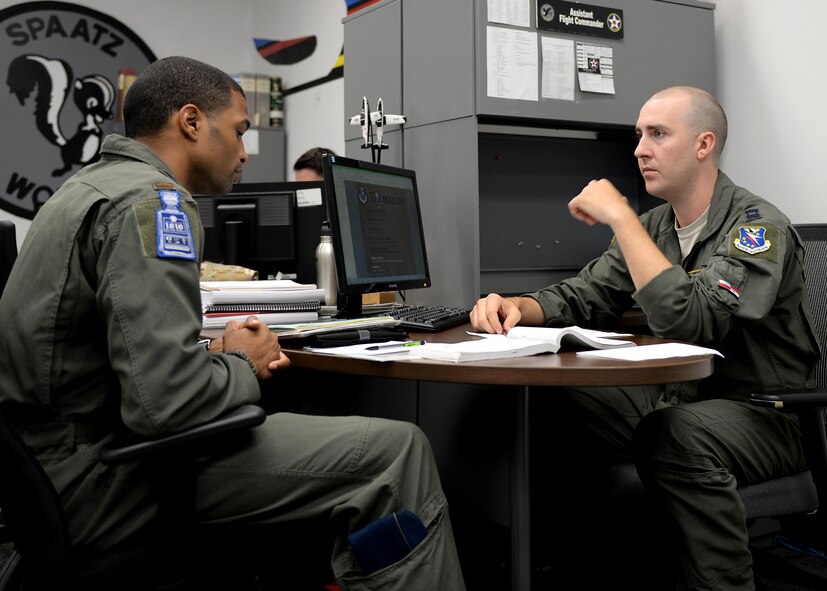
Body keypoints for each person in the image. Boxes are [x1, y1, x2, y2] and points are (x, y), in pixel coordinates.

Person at [0, 56, 465, 591]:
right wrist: (243, 362)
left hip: (46, 478)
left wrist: (215, 359)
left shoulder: (88, 188)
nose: (245, 152)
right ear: (192, 122)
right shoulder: (152, 204)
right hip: (98, 483)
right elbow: (166, 405)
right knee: (396, 454)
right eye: (240, 132)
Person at [471, 86, 820, 590]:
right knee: (559, 399)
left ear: (703, 145)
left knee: (673, 434)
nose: (639, 149)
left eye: (657, 134)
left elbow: (694, 318)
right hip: (681, 398)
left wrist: (619, 217)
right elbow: (584, 294)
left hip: (767, 415)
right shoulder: (656, 225)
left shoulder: (757, 226)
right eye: (639, 135)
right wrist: (518, 306)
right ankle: (597, 567)